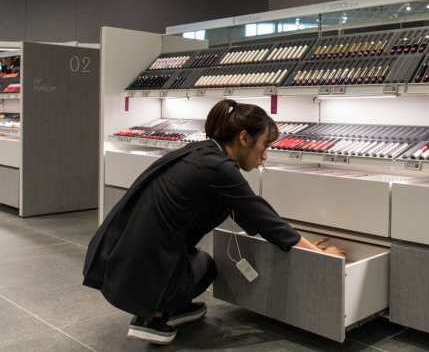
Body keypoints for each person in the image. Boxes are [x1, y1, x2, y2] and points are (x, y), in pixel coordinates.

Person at [83, 99, 345, 345]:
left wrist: (301, 242)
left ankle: (167, 306)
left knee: (195, 257)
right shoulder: (219, 167)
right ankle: (156, 317)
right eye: (264, 145)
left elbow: (247, 212)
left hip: (117, 259)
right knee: (206, 264)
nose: (264, 155)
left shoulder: (201, 153)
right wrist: (323, 256)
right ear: (244, 138)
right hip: (147, 269)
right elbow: (264, 219)